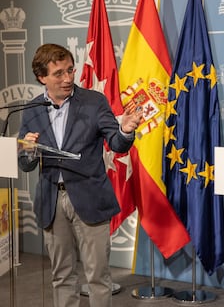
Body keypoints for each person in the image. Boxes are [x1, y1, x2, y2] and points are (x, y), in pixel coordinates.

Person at [18, 43, 142, 307]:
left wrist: (126, 131)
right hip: (52, 200)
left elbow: (117, 144)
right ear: (42, 77)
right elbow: (24, 162)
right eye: (58, 73)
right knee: (61, 275)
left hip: (89, 196)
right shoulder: (31, 109)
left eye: (70, 71)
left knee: (97, 275)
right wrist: (27, 150)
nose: (67, 79)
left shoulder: (93, 101)